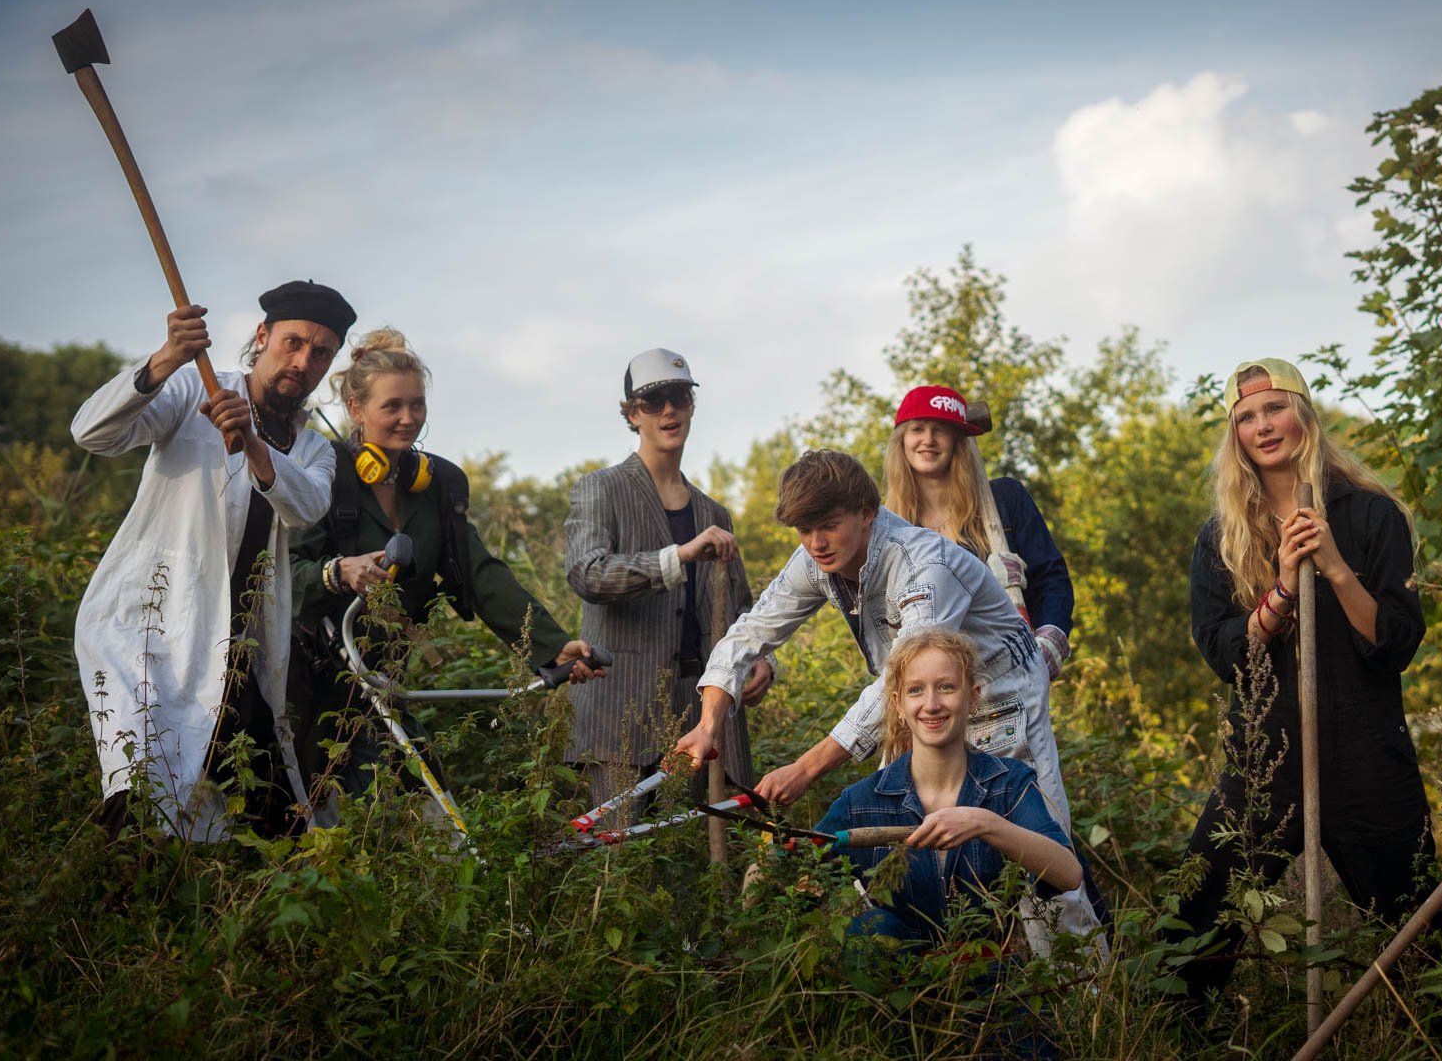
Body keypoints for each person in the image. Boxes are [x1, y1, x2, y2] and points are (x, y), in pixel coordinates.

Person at [673, 449, 1100, 944]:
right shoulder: (814, 559)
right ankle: (924, 968)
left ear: (867, 512)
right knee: (894, 840)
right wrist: (708, 724)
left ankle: (1082, 983)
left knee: (1040, 861)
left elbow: (898, 676)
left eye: (828, 526)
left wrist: (806, 769)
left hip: (999, 701)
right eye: (804, 531)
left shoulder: (925, 565)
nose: (816, 543)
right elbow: (748, 635)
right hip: (914, 702)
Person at [1172, 357, 1442, 1013]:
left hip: (1366, 757)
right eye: (1246, 417)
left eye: (1275, 408)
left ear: (1304, 415)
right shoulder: (1222, 537)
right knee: (1193, 932)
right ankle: (1174, 1038)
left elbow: (1396, 644)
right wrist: (1283, 590)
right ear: (1235, 435)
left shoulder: (1372, 515)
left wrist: (1335, 567)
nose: (1263, 425)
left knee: (1419, 937)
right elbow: (1225, 656)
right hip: (1265, 762)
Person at [73, 281, 354, 841]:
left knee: (275, 809)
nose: (303, 362)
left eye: (321, 352)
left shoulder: (313, 448)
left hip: (236, 650)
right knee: (137, 783)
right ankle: (111, 886)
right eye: (293, 342)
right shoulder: (191, 390)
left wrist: (252, 442)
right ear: (262, 336)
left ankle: (267, 888)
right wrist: (166, 358)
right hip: (147, 628)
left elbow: (305, 507)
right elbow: (93, 434)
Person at [290, 329, 602, 806]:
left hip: (382, 685)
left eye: (417, 404)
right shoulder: (323, 474)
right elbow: (283, 576)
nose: (408, 418)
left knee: (426, 809)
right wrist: (338, 571)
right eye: (392, 406)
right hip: (307, 685)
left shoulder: (435, 488)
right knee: (307, 816)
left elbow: (482, 573)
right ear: (356, 409)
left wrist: (552, 646)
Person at [563, 349, 770, 819]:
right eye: (654, 401)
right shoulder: (599, 488)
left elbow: (743, 610)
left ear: (692, 405)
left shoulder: (715, 514)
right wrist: (678, 557)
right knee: (618, 854)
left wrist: (764, 660)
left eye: (679, 397)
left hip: (701, 716)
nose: (669, 410)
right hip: (619, 716)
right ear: (632, 413)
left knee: (694, 853)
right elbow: (587, 573)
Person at [817, 628, 1081, 944]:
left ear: (973, 697)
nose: (931, 704)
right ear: (899, 704)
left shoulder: (1009, 783)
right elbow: (800, 873)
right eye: (916, 690)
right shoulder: (861, 802)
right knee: (871, 926)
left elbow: (1069, 874)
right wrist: (772, 860)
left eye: (946, 687)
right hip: (895, 972)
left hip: (989, 970)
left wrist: (986, 824)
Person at [884, 385, 1074, 680]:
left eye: (940, 430)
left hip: (1013, 673)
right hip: (935, 684)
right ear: (902, 441)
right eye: (917, 429)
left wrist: (1050, 639)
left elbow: (1051, 579)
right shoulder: (892, 529)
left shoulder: (1005, 500)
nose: (928, 439)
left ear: (958, 441)